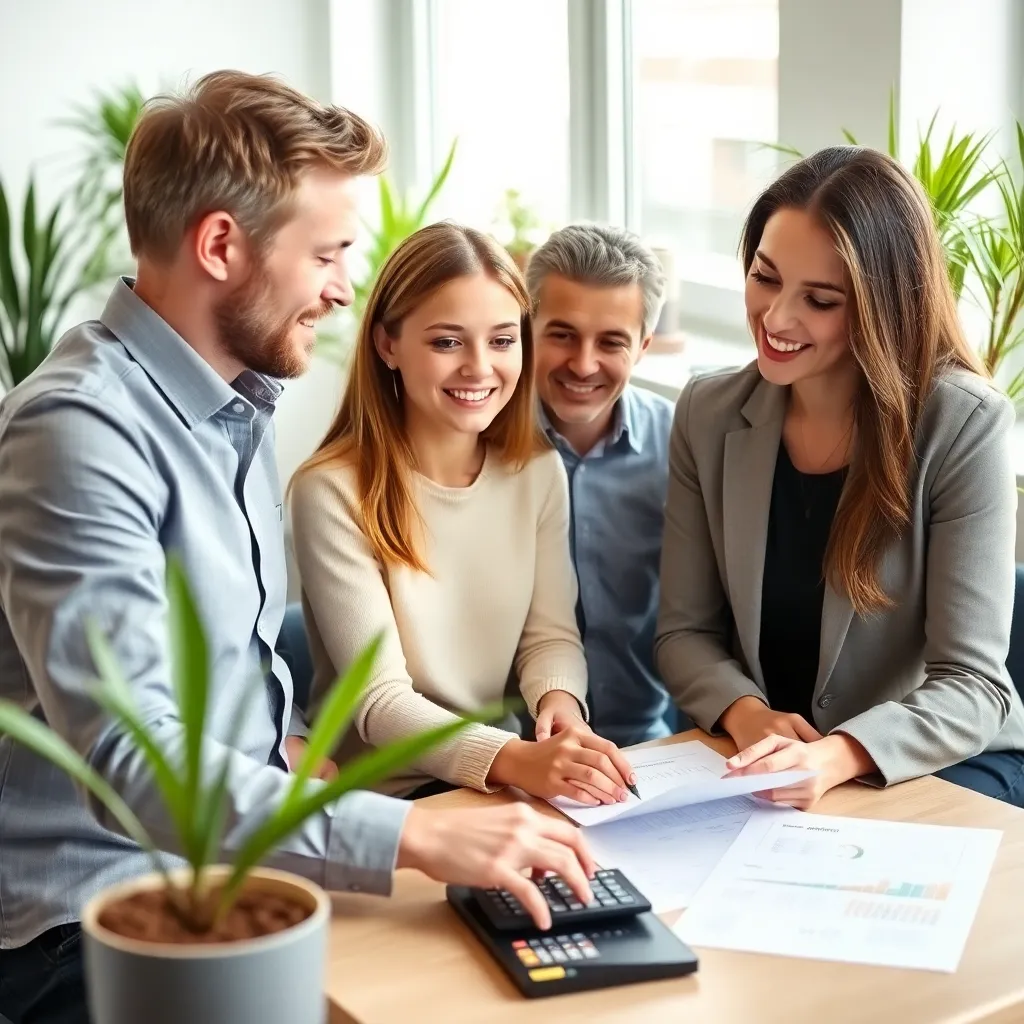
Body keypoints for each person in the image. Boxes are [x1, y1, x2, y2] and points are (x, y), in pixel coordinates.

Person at [0, 72, 595, 1024]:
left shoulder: (226, 412)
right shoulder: (79, 431)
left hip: (227, 876)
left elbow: (222, 682)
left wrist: (293, 760)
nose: (343, 285)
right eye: (328, 252)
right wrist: (415, 835)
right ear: (222, 246)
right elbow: (135, 761)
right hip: (92, 927)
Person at [655, 145, 1024, 810]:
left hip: (933, 764)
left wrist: (833, 755)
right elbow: (684, 633)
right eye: (765, 278)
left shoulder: (965, 426)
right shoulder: (707, 414)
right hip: (761, 766)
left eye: (819, 300)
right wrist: (749, 716)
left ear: (883, 306)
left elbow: (974, 687)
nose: (776, 319)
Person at [289, 222, 637, 808]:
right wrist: (515, 759)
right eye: (447, 342)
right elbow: (380, 704)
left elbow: (549, 636)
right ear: (387, 345)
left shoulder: (536, 472)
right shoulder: (331, 490)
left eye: (502, 341)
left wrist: (561, 709)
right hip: (385, 801)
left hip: (500, 783)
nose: (480, 368)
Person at [526, 224, 681, 747]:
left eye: (611, 341)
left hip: (646, 745)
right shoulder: (469, 444)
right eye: (563, 334)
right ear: (529, 328)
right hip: (500, 751)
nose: (583, 363)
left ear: (643, 347)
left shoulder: (684, 448)